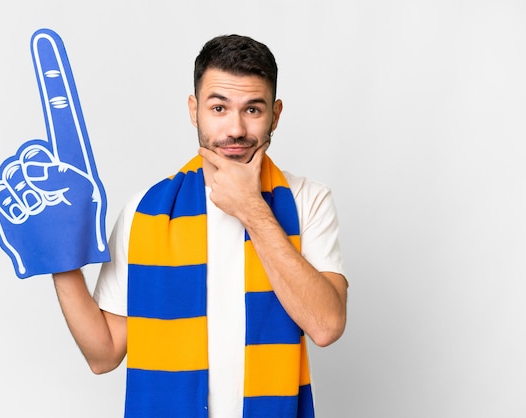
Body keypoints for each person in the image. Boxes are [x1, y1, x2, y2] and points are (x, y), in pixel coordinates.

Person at [52, 34, 348, 418]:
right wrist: (57, 255)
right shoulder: (145, 211)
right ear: (195, 110)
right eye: (219, 107)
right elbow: (103, 353)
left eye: (253, 110)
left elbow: (325, 326)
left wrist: (252, 210)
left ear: (275, 114)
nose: (236, 129)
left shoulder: (309, 200)